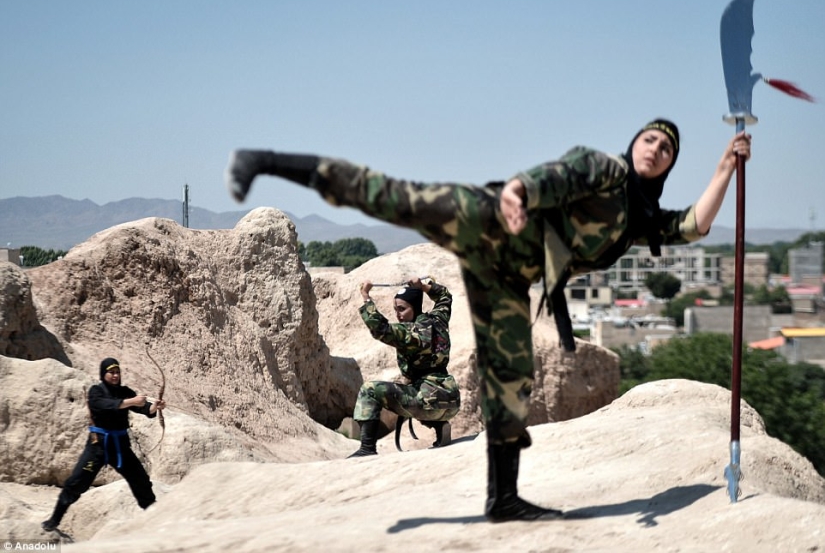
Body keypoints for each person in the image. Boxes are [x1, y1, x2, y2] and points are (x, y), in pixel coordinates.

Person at [224, 119, 752, 522]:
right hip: (489, 216)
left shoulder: (640, 217)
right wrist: (518, 192)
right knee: (392, 196)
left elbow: (695, 224)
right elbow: (559, 173)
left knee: (511, 376)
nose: (656, 150)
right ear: (635, 143)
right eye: (651, 140)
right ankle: (266, 161)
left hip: (505, 274)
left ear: (669, 166)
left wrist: (727, 166)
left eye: (667, 150)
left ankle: (503, 500)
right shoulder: (606, 169)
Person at [41, 357, 166, 532]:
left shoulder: (125, 391)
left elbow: (144, 408)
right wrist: (132, 401)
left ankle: (154, 520)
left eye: (117, 372)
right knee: (76, 482)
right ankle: (54, 520)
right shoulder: (95, 391)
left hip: (120, 448)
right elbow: (107, 405)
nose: (115, 375)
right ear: (103, 373)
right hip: (98, 447)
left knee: (141, 481)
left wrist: (155, 408)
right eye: (111, 372)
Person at [349, 276, 461, 458]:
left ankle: (367, 448)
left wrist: (366, 296)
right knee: (412, 390)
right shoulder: (438, 319)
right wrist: (424, 286)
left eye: (402, 309)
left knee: (369, 390)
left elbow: (380, 329)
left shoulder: (409, 332)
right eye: (395, 309)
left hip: (427, 401)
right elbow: (444, 297)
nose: (398, 314)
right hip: (451, 400)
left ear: (414, 308)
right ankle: (440, 426)